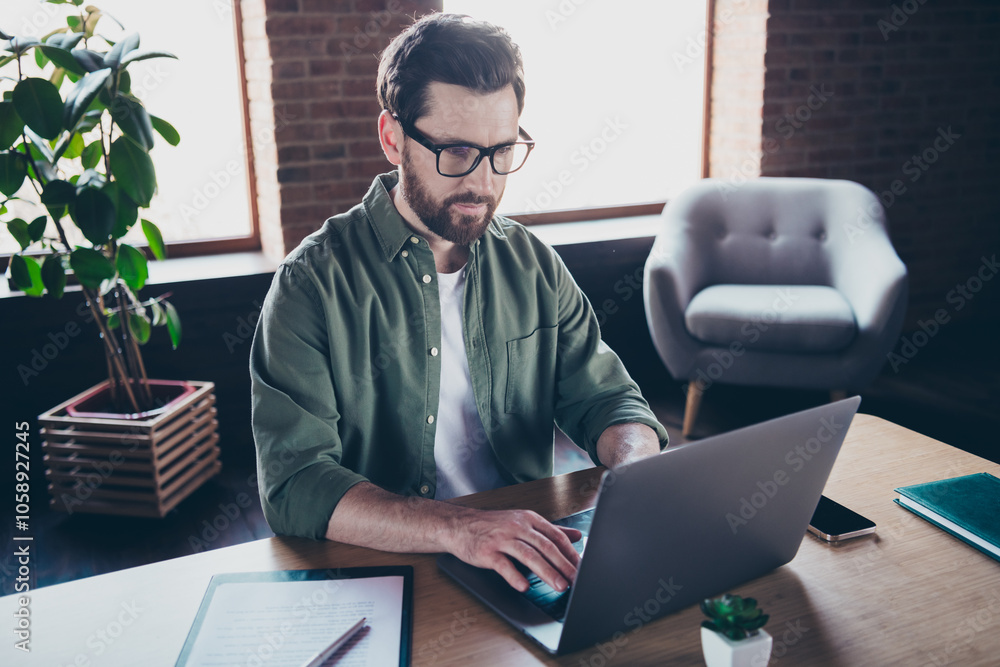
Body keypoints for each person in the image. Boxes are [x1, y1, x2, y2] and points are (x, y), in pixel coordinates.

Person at [250, 12, 668, 595]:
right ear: (393, 138)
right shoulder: (310, 285)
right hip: (381, 574)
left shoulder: (534, 265)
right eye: (456, 153)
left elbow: (608, 400)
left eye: (502, 152)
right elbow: (296, 484)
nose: (483, 183)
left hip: (527, 562)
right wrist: (459, 528)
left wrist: (637, 474)